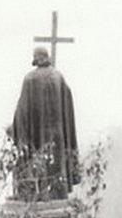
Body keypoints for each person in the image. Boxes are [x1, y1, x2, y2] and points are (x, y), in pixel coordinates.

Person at [8, 46, 79, 201]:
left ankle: (35, 193)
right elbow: (68, 105)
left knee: (36, 164)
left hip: (36, 136)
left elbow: (22, 111)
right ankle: (56, 194)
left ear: (35, 59)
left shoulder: (30, 79)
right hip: (57, 135)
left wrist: (13, 128)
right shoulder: (58, 77)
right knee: (55, 167)